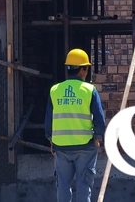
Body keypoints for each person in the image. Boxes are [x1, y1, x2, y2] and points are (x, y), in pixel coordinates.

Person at [45, 49, 105, 202]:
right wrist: (98, 137)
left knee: (63, 186)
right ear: (82, 70)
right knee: (84, 185)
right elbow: (99, 118)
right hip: (85, 146)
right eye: (87, 69)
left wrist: (51, 139)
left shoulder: (55, 90)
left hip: (61, 147)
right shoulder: (89, 90)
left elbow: (49, 119)